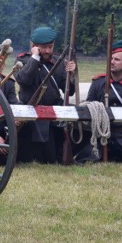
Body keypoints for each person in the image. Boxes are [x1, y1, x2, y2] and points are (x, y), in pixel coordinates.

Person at [15, 26, 76, 164]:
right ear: (34, 46)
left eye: (51, 46)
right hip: (30, 113)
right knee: (42, 156)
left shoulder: (59, 62)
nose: (48, 51)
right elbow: (23, 80)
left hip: (54, 114)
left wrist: (71, 76)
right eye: (44, 47)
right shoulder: (24, 60)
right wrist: (35, 58)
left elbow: (69, 91)